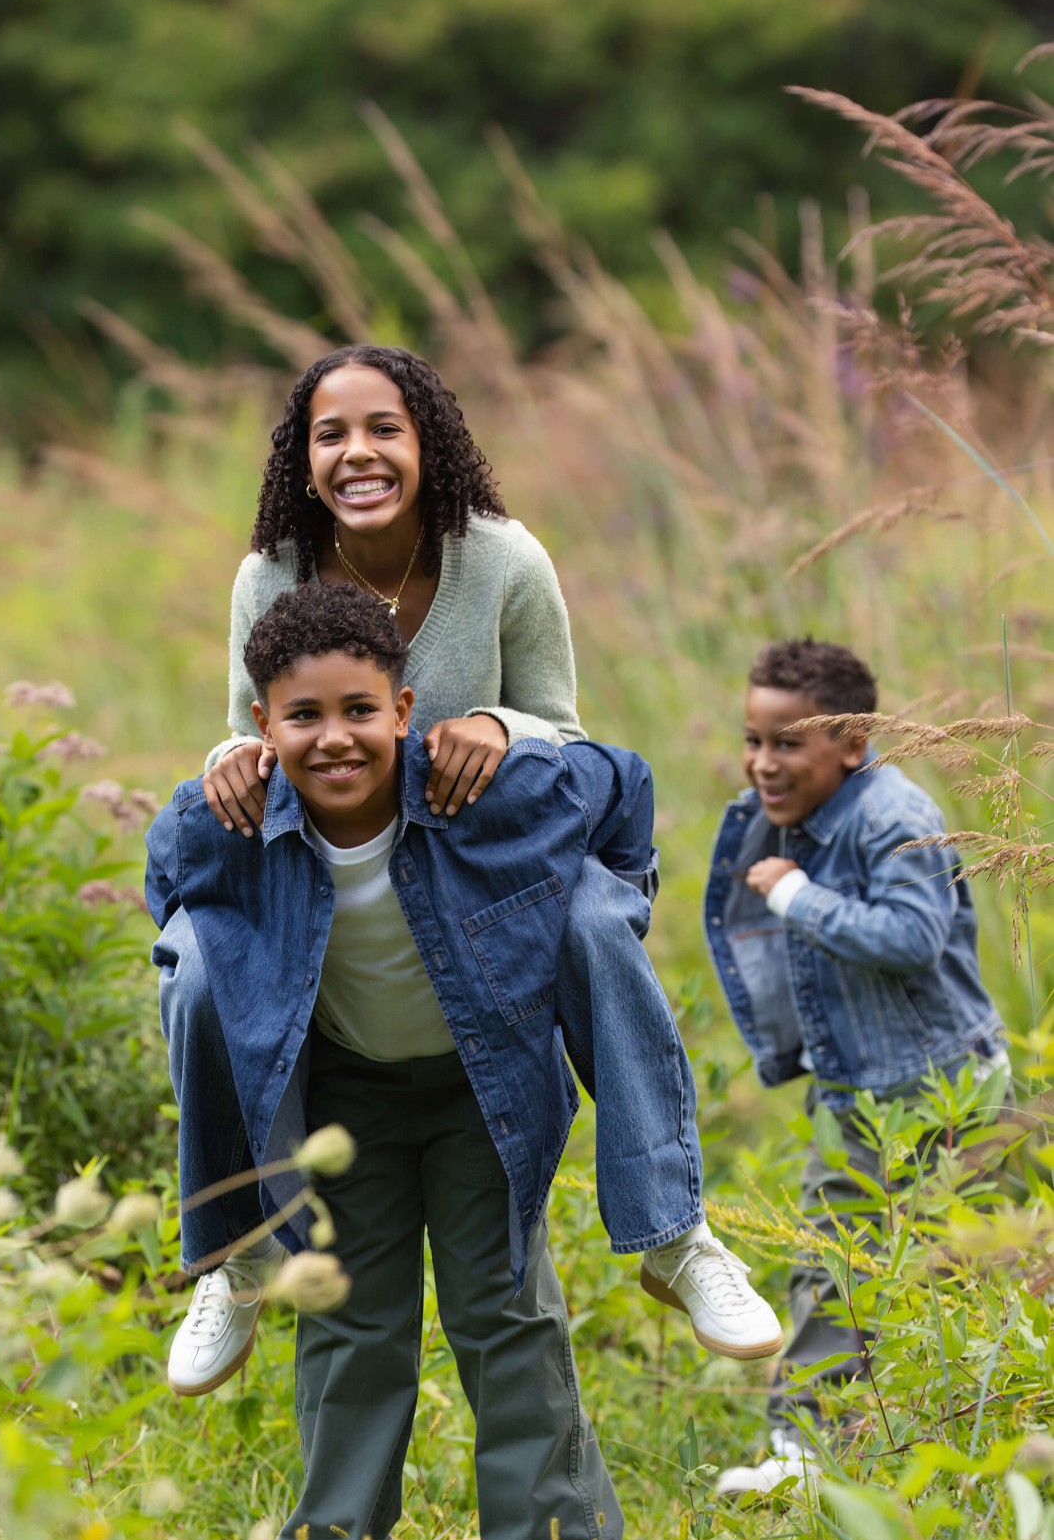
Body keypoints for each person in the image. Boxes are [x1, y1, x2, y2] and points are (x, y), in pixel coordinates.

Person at [145, 585, 781, 1540]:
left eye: (360, 710)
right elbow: (171, 885)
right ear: (260, 729)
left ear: (404, 708)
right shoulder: (228, 817)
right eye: (303, 717)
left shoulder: (486, 789)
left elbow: (621, 789)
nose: (335, 738)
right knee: (353, 1333)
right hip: (345, 1095)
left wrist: (582, 913)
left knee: (505, 1317)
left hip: (480, 1084)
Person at [158, 342, 769, 1390]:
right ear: (301, 459)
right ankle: (240, 1245)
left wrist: (496, 719)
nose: (359, 452)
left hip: (487, 858)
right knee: (199, 962)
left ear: (426, 440)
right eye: (331, 433)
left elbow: (565, 730)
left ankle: (675, 1232)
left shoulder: (503, 560)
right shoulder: (269, 574)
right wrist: (227, 759)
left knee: (589, 922)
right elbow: (248, 735)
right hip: (334, 864)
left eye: (382, 428)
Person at [704, 638, 1008, 1494]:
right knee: (828, 1258)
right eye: (753, 740)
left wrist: (795, 895)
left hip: (943, 1082)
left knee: (957, 1256)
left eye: (786, 742)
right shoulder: (790, 812)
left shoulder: (894, 817)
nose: (763, 763)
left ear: (854, 741)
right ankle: (805, 1450)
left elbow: (913, 939)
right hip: (857, 1088)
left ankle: (976, 1435)